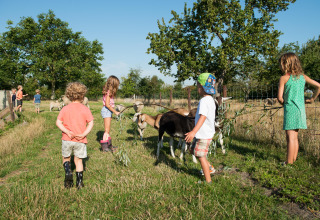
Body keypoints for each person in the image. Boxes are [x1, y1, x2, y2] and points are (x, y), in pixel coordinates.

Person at [277, 52, 320, 165]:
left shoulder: (284, 78)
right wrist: (312, 99)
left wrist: (283, 103)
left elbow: (279, 98)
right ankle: (293, 159)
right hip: (301, 110)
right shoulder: (303, 77)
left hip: (290, 110)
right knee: (295, 137)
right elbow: (319, 86)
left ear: (285, 64)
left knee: (290, 137)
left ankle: (289, 163)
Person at [56, 82, 94, 189]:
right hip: (80, 139)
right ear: (83, 95)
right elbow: (91, 123)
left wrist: (67, 132)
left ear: (68, 95)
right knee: (78, 161)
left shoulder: (65, 108)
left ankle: (68, 173)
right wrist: (84, 134)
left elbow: (58, 122)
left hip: (67, 139)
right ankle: (79, 183)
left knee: (66, 158)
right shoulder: (85, 109)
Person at [185, 73, 217, 184]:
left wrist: (193, 131)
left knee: (201, 156)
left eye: (198, 85)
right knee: (193, 150)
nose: (197, 88)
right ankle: (210, 168)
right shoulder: (211, 100)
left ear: (202, 87)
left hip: (203, 133)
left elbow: (203, 117)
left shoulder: (204, 101)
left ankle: (208, 181)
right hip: (205, 132)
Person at [100, 75, 120, 152]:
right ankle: (105, 148)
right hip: (107, 110)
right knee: (106, 130)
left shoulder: (108, 91)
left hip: (108, 111)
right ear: (113, 84)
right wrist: (115, 112)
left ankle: (109, 146)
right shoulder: (109, 92)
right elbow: (107, 105)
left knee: (107, 130)